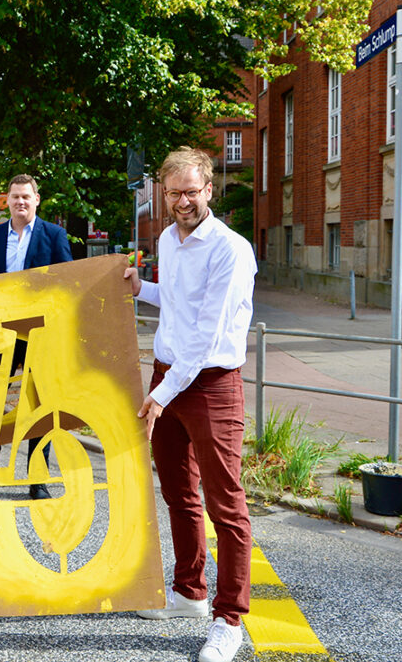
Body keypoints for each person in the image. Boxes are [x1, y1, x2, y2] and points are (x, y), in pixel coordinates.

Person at [124, 147, 256, 662]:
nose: (182, 201)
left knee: (226, 504)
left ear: (209, 189)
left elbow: (206, 335)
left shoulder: (230, 249)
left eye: (191, 191)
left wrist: (159, 396)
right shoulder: (168, 238)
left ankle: (230, 621)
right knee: (179, 493)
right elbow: (179, 302)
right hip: (169, 377)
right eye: (173, 192)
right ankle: (191, 594)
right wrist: (143, 288)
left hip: (209, 383)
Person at [0, 174, 72, 499]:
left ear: (37, 200)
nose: (21, 202)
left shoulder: (54, 235)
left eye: (26, 197)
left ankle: (37, 482)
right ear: (7, 200)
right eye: (15, 197)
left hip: (40, 335)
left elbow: (68, 282)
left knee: (40, 406)